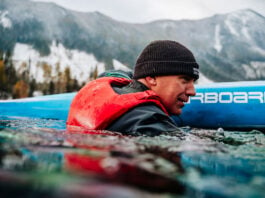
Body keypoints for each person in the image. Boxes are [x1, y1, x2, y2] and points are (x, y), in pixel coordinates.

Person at [67, 40, 199, 136]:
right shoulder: (148, 120)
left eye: (193, 82)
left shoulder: (115, 88)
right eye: (185, 80)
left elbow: (111, 74)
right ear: (152, 78)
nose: (192, 91)